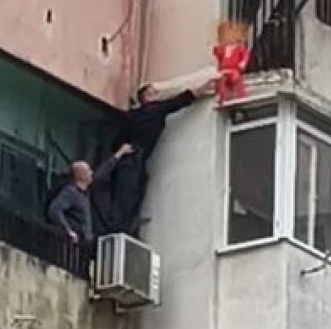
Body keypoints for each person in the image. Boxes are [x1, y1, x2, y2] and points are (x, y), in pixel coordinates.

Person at [110, 78, 214, 235]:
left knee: (132, 192)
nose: (158, 95)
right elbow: (181, 100)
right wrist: (206, 85)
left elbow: (118, 140)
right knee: (130, 195)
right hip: (134, 159)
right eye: (154, 93)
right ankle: (123, 229)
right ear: (146, 96)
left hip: (131, 159)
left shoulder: (134, 115)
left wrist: (120, 152)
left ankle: (126, 228)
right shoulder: (154, 109)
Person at [47, 144, 134, 249]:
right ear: (81, 176)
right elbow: (54, 210)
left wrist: (120, 153)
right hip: (75, 245)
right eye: (88, 171)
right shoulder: (70, 192)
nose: (91, 172)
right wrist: (68, 231)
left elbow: (102, 172)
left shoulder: (85, 190)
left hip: (85, 244)